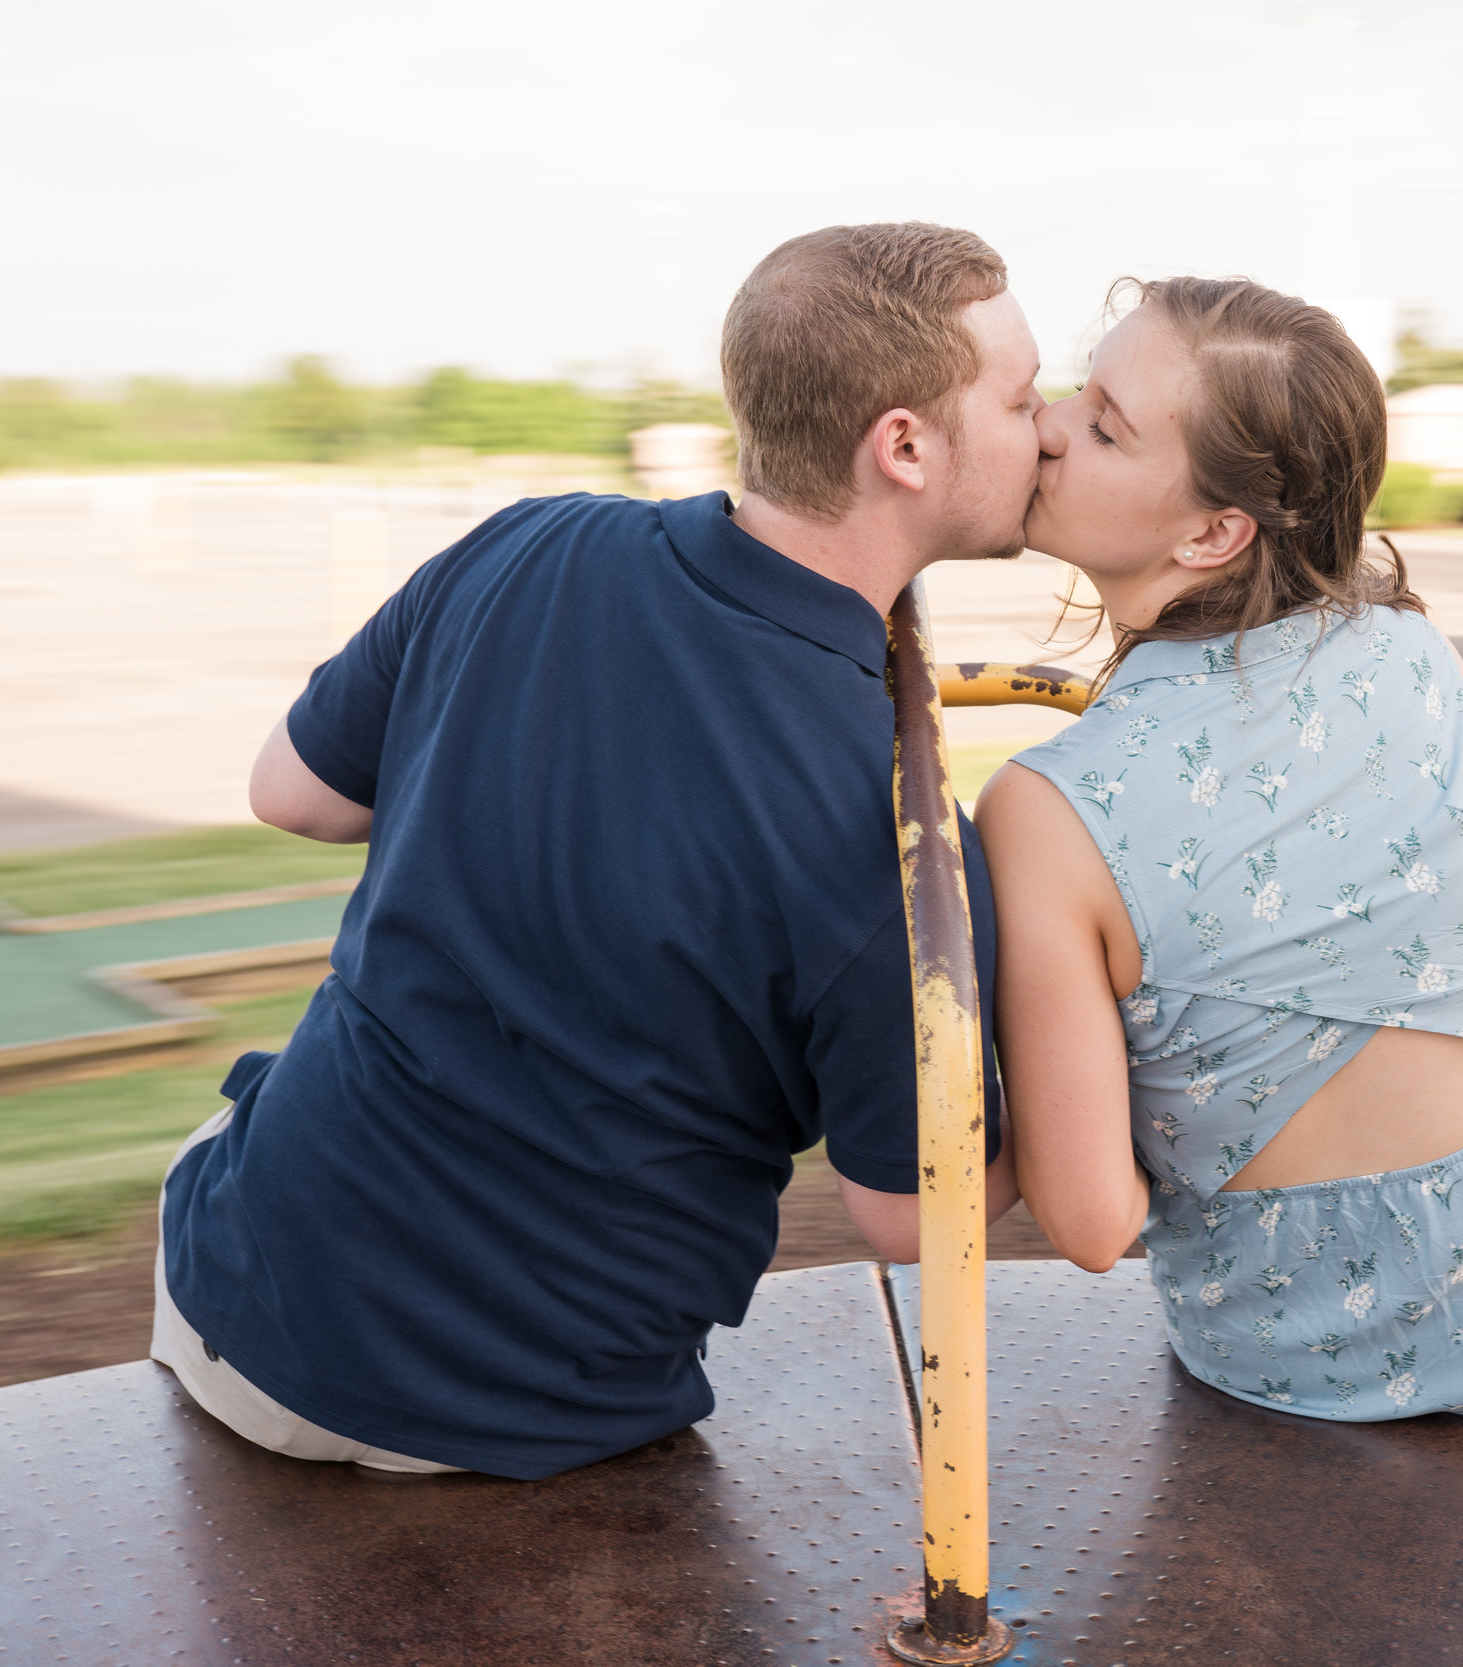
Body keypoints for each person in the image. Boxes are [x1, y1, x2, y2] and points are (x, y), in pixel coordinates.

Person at [152, 223, 1032, 1479]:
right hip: (518, 1415)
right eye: (1021, 396)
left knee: (232, 1122)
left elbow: (291, 793)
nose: (1046, 427)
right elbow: (911, 1215)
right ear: (903, 445)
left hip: (236, 1292)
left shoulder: (527, 542)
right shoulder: (898, 826)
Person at [979, 277, 1463, 1420]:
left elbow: (1093, 1221)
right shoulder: (1416, 653)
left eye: (1102, 424)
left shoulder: (1042, 807)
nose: (1046, 426)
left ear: (1213, 532)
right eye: (1073, 390)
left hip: (1293, 1345)